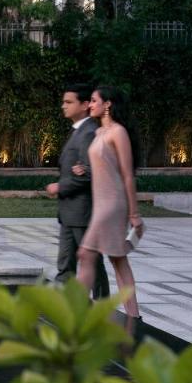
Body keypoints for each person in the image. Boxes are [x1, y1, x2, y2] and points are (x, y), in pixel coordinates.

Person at [78, 85, 144, 318]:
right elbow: (103, 165)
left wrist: (134, 214)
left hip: (114, 205)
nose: (91, 104)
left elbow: (127, 174)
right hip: (101, 204)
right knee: (117, 259)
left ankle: (76, 311)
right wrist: (82, 169)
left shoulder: (118, 132)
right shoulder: (98, 134)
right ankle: (134, 316)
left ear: (108, 104)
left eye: (94, 100)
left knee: (87, 253)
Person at [47, 84, 110, 298]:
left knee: (91, 262)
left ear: (84, 105)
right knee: (65, 264)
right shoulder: (78, 131)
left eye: (69, 102)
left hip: (82, 211)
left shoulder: (88, 133)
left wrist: (60, 186)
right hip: (68, 212)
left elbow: (90, 173)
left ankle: (102, 305)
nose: (63, 106)